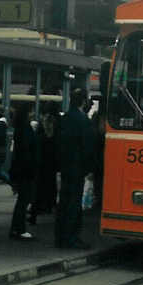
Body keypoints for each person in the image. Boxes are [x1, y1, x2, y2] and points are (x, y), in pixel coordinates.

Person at [55, 88, 97, 249]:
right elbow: (88, 147)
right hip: (77, 168)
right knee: (74, 203)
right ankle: (72, 237)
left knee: (63, 201)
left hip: (64, 167)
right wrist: (89, 168)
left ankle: (60, 236)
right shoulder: (83, 121)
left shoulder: (64, 119)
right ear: (83, 101)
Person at [9, 103, 40, 239]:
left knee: (22, 199)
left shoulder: (19, 128)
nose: (33, 114)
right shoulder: (26, 129)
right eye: (32, 111)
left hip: (20, 168)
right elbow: (27, 151)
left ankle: (16, 228)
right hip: (26, 170)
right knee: (24, 199)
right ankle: (19, 229)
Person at [35, 106, 59, 217]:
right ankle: (50, 204)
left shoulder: (40, 135)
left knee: (41, 184)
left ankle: (41, 205)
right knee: (51, 184)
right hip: (52, 162)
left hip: (42, 162)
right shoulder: (55, 135)